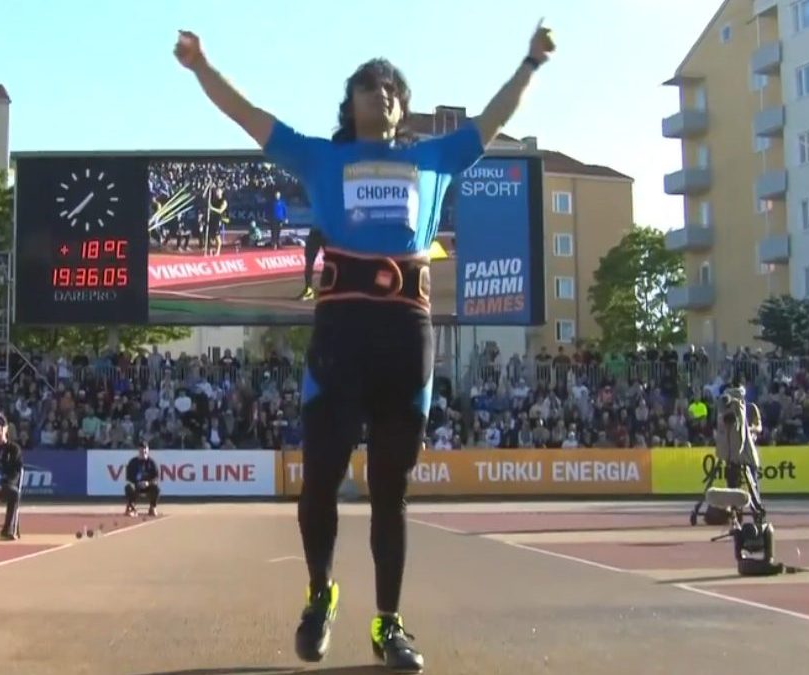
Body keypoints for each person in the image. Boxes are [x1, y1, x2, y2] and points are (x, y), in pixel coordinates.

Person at [174, 19, 554, 672]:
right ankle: (320, 592)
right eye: (368, 87)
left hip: (407, 338)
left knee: (389, 492)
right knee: (319, 480)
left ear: (402, 106)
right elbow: (250, 117)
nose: (381, 94)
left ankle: (389, 623)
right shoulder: (321, 157)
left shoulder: (433, 158)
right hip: (339, 337)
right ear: (349, 104)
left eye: (391, 88)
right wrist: (202, 67)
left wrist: (530, 64)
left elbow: (494, 118)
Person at [0, 414, 25, 541]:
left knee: (14, 493)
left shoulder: (14, 449)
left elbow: (16, 471)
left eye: (1, 425)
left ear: (6, 428)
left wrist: (3, 483)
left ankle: (6, 530)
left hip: (4, 485)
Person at [123, 442, 161, 517]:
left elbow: (156, 477)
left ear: (148, 451)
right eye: (141, 451)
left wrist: (148, 483)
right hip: (136, 485)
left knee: (156, 488)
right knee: (129, 487)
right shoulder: (133, 462)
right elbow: (128, 476)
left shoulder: (152, 463)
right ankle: (131, 507)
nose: (143, 453)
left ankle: (153, 507)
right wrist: (137, 483)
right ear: (139, 451)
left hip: (148, 486)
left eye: (145, 451)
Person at [297, 226, 325, 301]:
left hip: (329, 231)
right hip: (315, 232)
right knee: (309, 261)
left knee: (331, 262)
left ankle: (330, 290)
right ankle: (308, 291)